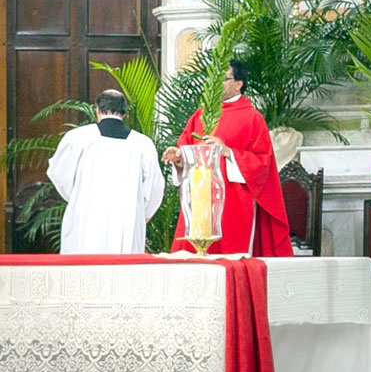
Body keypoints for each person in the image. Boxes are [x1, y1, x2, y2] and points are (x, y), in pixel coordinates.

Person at [162, 59, 292, 256]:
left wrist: (228, 152)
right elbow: (188, 147)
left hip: (234, 201)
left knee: (230, 255)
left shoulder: (252, 118)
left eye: (223, 79)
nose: (216, 84)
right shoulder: (201, 115)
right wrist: (179, 158)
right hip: (200, 199)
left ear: (239, 84)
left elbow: (262, 163)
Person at [47, 89, 164, 254]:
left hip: (85, 221)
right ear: (124, 113)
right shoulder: (143, 144)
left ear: (97, 110)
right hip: (128, 224)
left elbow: (59, 173)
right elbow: (155, 189)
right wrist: (138, 213)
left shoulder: (77, 138)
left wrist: (79, 199)